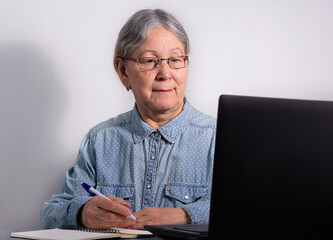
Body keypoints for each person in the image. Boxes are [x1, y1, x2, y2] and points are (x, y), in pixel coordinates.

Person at [40, 9, 216, 230]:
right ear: (123, 71)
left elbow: (252, 211)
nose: (165, 73)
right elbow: (50, 212)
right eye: (150, 61)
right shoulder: (99, 141)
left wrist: (185, 215)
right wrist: (83, 213)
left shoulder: (220, 139)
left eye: (175, 59)